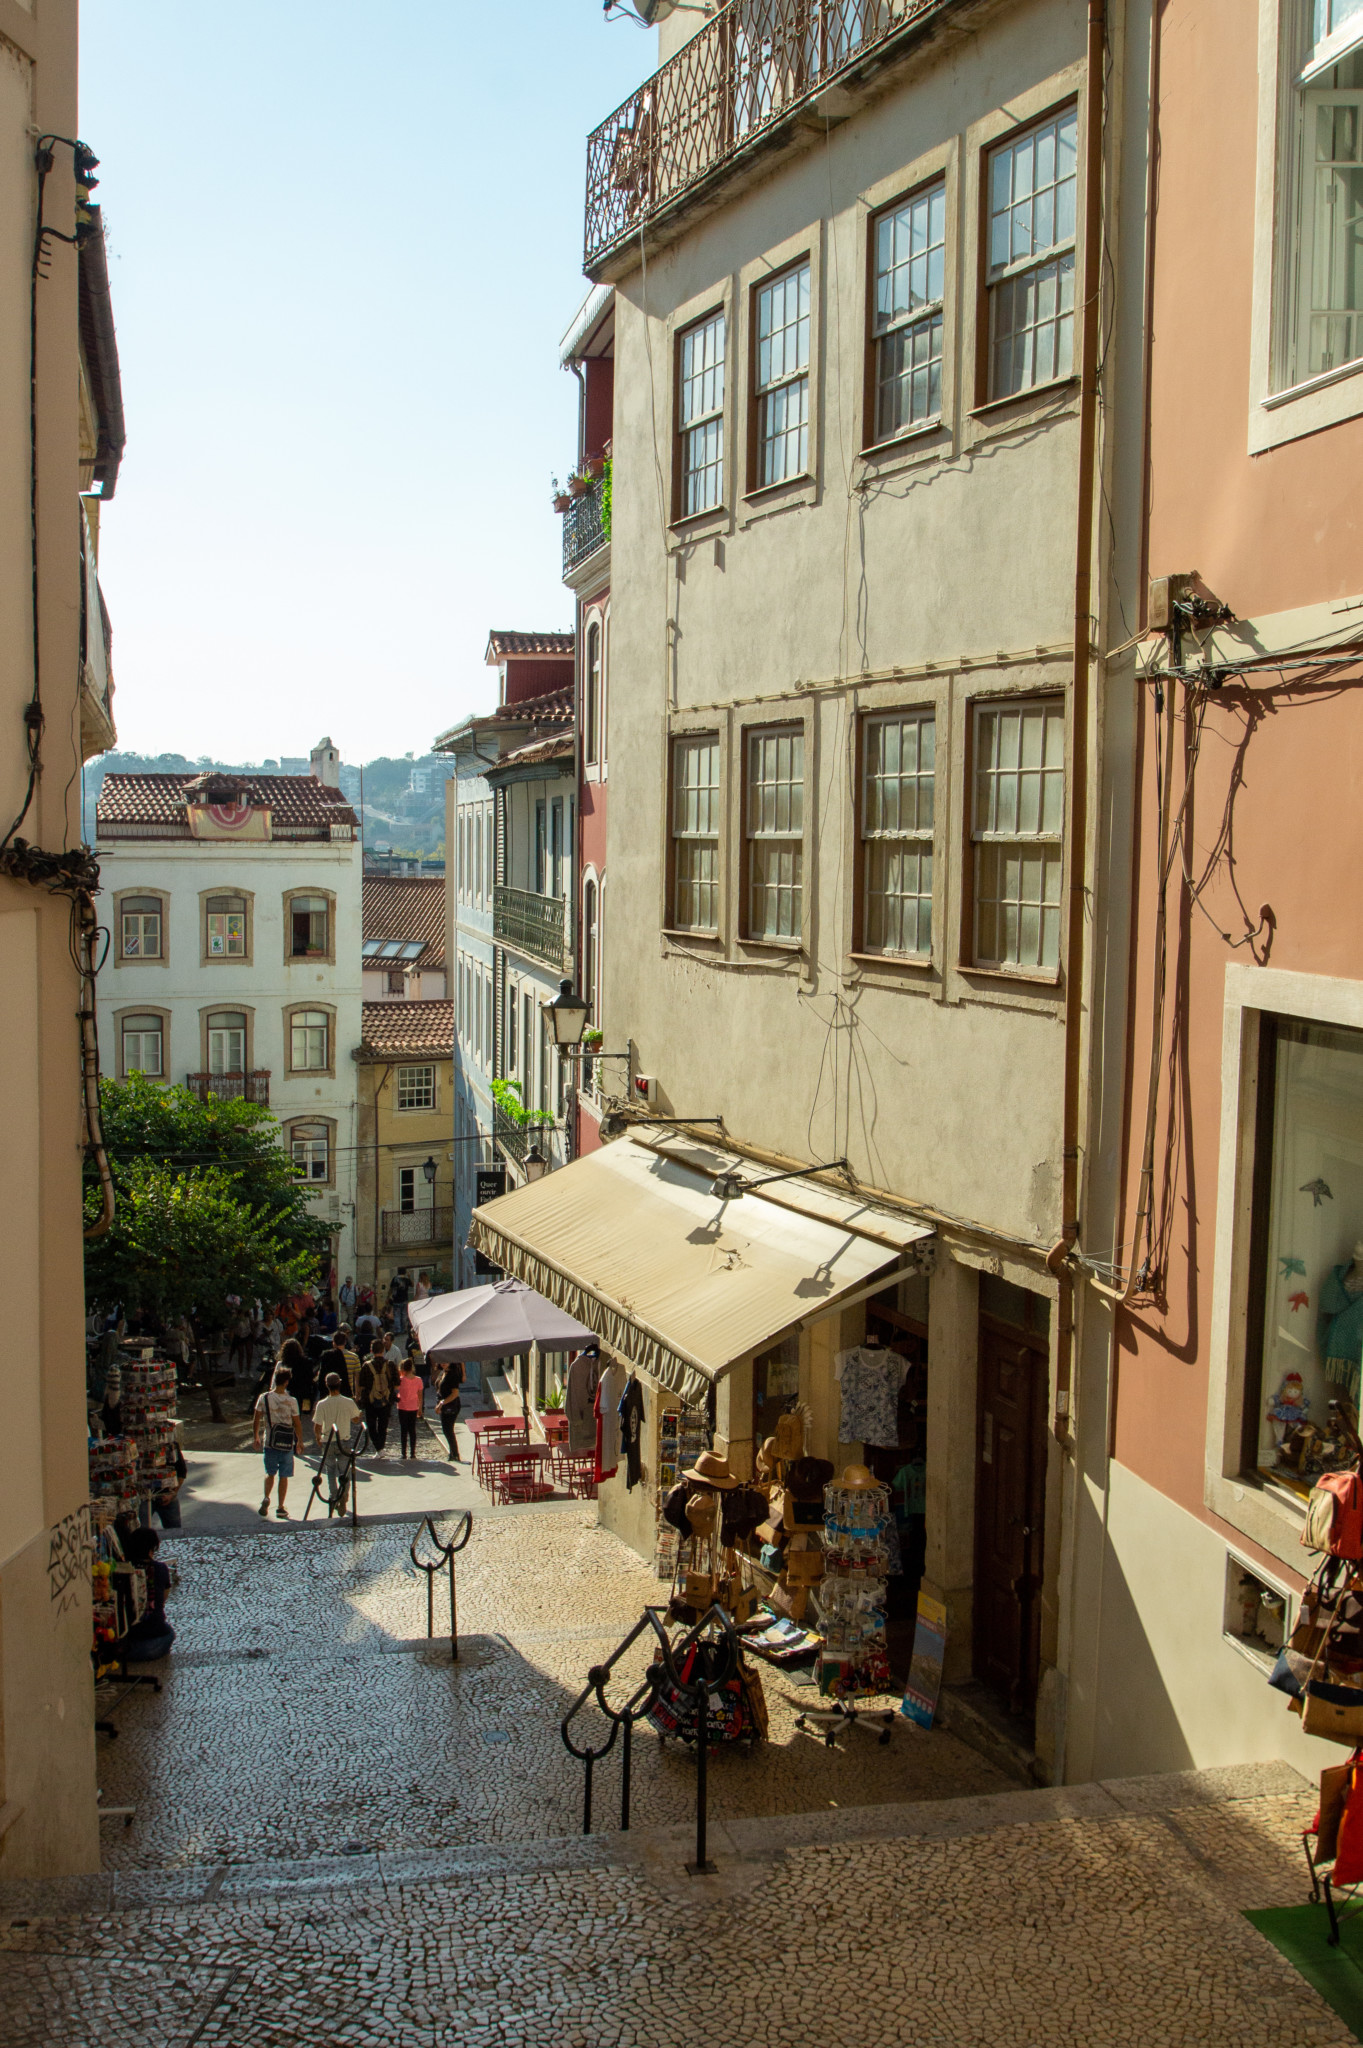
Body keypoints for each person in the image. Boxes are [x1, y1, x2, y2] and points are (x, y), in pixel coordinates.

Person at [253, 1364, 303, 1518]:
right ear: (286, 1382)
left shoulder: (264, 1398)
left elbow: (256, 1418)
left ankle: (267, 1496)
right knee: (284, 1475)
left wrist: (255, 1436)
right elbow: (297, 1423)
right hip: (287, 1442)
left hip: (270, 1441)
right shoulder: (291, 1401)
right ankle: (280, 1506)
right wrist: (299, 1441)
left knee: (270, 1472)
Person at [313, 1370, 362, 1516]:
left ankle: (334, 1497)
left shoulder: (321, 1404)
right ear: (340, 1384)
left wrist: (318, 1438)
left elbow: (317, 1425)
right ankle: (344, 1497)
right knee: (344, 1472)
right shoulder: (348, 1401)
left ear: (326, 1385)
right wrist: (357, 1415)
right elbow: (355, 1420)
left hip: (328, 1440)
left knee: (330, 1472)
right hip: (344, 1440)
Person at [122, 1528, 176, 1661]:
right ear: (151, 1549)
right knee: (169, 1632)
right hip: (153, 1633)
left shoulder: (123, 1570)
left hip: (128, 1636)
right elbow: (162, 1599)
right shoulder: (160, 1568)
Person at [357, 1339, 393, 1452]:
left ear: (371, 1350)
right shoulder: (389, 1365)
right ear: (383, 1350)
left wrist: (359, 1397)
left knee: (371, 1426)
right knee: (383, 1426)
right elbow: (396, 1383)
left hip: (370, 1400)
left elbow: (361, 1384)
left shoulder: (366, 1366)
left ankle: (378, 1448)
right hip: (386, 1400)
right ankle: (380, 1448)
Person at [153, 1441, 188, 1529]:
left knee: (174, 1530)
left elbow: (181, 1472)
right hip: (145, 1496)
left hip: (167, 1494)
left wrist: (172, 1493)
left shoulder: (171, 1446)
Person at [435, 1357, 464, 1463]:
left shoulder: (452, 1374)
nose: (443, 1363)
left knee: (448, 1430)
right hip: (444, 1405)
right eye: (442, 1360)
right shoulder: (443, 1372)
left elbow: (455, 1393)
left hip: (451, 1406)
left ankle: (455, 1454)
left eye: (446, 1360)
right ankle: (453, 1453)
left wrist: (442, 1403)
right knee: (446, 1430)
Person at [395, 1361, 423, 1460]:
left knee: (403, 1430)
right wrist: (420, 1408)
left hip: (402, 1407)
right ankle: (413, 1453)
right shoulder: (418, 1380)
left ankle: (403, 1453)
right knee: (412, 1430)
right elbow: (420, 1396)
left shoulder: (401, 1380)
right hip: (413, 1407)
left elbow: (395, 1389)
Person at [387, 1266, 412, 1334]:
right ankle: (403, 1329)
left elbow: (391, 1288)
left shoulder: (395, 1279)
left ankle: (397, 1330)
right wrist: (409, 1277)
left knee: (397, 1315)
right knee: (404, 1315)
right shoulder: (406, 1279)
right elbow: (412, 1285)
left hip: (396, 1299)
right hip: (404, 1299)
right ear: (405, 1272)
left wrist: (388, 1296)